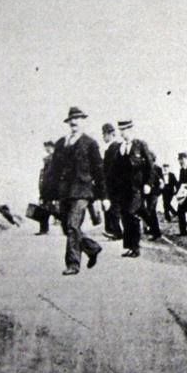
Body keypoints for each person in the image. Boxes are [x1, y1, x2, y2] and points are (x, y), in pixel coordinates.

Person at [48, 107, 107, 276]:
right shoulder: (61, 143)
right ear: (68, 123)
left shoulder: (90, 143)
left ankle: (73, 264)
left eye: (78, 119)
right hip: (64, 192)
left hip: (83, 191)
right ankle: (92, 248)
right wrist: (50, 196)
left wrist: (104, 196)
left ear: (83, 121)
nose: (74, 122)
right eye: (71, 120)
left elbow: (99, 170)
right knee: (68, 228)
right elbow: (54, 171)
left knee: (73, 225)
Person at [110, 119, 156, 257]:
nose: (122, 133)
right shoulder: (121, 147)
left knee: (131, 214)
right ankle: (129, 247)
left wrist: (149, 183)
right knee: (125, 216)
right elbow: (115, 170)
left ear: (130, 130)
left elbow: (150, 166)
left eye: (124, 131)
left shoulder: (140, 145)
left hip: (137, 188)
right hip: (123, 189)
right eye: (121, 131)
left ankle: (136, 247)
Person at [101, 123, 123, 240]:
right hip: (112, 184)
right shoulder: (111, 148)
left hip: (115, 184)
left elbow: (113, 168)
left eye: (104, 134)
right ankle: (113, 231)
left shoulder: (116, 147)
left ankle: (117, 233)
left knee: (114, 209)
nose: (103, 137)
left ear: (110, 134)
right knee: (111, 209)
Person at [36, 140, 55, 235]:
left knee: (51, 208)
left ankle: (44, 229)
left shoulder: (54, 158)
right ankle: (43, 229)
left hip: (51, 187)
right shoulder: (48, 159)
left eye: (47, 147)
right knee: (44, 208)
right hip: (47, 187)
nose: (45, 149)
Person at [144, 159, 164, 240]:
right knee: (148, 211)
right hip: (147, 193)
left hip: (154, 193)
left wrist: (157, 193)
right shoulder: (145, 168)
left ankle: (156, 232)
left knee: (151, 211)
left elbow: (162, 182)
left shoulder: (157, 168)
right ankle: (152, 230)